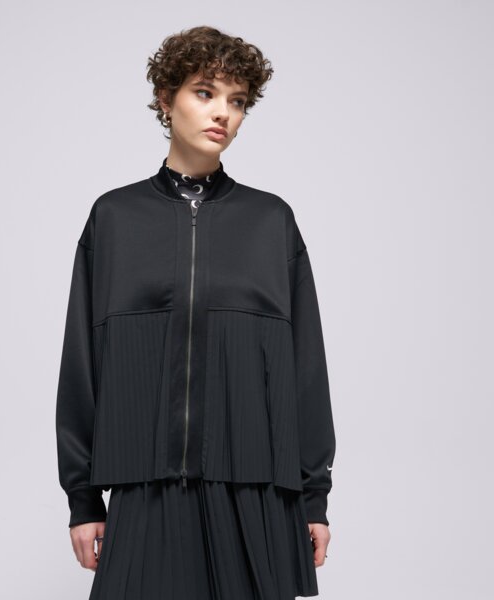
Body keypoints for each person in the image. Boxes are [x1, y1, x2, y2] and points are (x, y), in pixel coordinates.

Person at [55, 25, 336, 600]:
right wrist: (83, 500)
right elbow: (82, 365)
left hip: (256, 490)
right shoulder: (114, 219)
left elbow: (307, 366)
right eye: (205, 92)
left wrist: (314, 498)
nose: (222, 113)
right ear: (166, 98)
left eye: (237, 101)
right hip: (145, 486)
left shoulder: (271, 222)